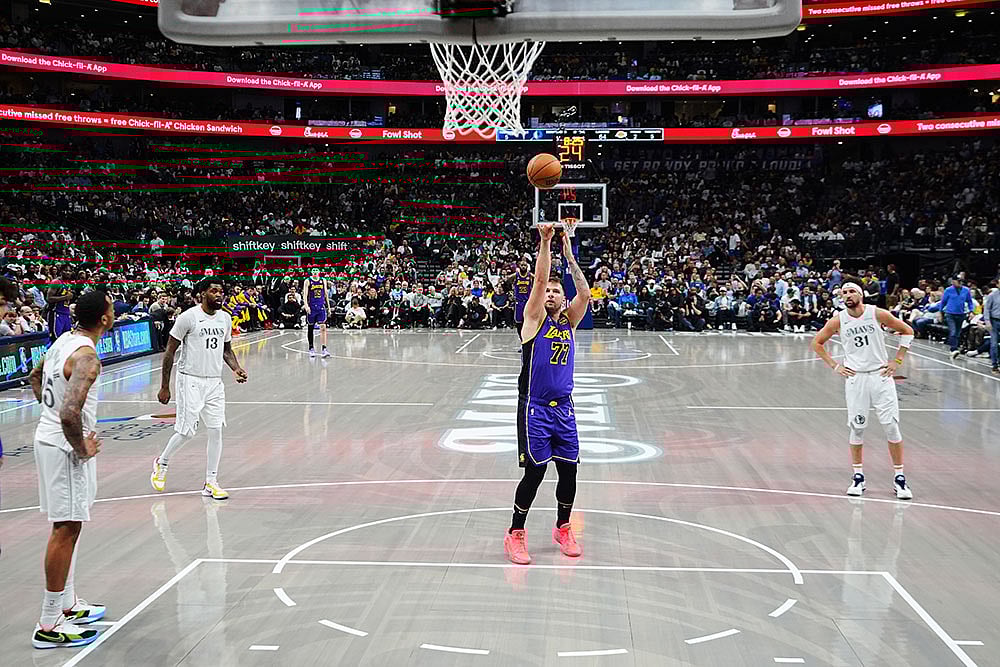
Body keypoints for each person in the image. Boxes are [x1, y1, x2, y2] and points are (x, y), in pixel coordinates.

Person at [27, 291, 115, 649]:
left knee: (70, 523)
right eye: (111, 309)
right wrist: (82, 447)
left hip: (49, 439)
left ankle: (68, 603)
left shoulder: (62, 341)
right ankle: (48, 624)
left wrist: (50, 418)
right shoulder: (87, 357)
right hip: (65, 448)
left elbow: (35, 377)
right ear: (106, 319)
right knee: (65, 528)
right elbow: (69, 413)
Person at [504, 224, 591, 565]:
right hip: (534, 409)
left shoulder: (569, 322)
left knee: (569, 471)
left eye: (557, 291)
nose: (552, 294)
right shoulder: (533, 321)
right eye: (549, 291)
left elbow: (584, 294)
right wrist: (545, 242)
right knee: (535, 473)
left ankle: (563, 526)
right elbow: (538, 283)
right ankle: (516, 533)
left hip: (564, 410)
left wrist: (569, 255)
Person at [811, 282, 915, 500]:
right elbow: (817, 343)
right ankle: (858, 476)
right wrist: (835, 365)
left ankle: (899, 478)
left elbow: (908, 331)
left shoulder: (877, 313)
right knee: (857, 428)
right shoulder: (839, 319)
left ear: (861, 294)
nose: (847, 295)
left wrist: (897, 360)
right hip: (856, 378)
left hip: (880, 376)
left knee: (891, 427)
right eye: (844, 293)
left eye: (851, 291)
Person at [151, 279, 248, 500]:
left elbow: (226, 350)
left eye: (221, 291)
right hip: (190, 380)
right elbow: (169, 352)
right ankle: (162, 462)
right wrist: (165, 386)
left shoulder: (225, 318)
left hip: (214, 382)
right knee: (186, 431)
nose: (219, 295)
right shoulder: (188, 317)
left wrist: (236, 368)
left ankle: (211, 482)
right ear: (202, 294)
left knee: (216, 430)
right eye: (214, 291)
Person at [924, 276, 975, 359]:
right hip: (950, 313)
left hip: (961, 314)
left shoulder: (966, 290)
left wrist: (971, 311)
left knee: (958, 332)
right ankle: (953, 349)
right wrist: (940, 313)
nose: (957, 282)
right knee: (953, 331)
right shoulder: (948, 290)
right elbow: (943, 302)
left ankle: (955, 347)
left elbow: (969, 301)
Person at [302, 268, 332, 357]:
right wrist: (306, 306)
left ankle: (324, 348)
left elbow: (326, 294)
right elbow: (305, 294)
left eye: (316, 270)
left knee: (323, 327)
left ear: (319, 272)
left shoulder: (323, 280)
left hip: (321, 307)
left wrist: (329, 307)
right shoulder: (308, 281)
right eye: (313, 270)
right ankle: (311, 348)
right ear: (311, 272)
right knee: (310, 327)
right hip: (312, 307)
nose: (315, 272)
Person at [512, 260, 532, 337]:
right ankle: (521, 340)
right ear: (519, 267)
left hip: (528, 302)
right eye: (522, 265)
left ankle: (528, 340)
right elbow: (506, 280)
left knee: (528, 322)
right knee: (519, 323)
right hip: (519, 302)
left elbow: (538, 280)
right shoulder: (515, 275)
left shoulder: (530, 276)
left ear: (527, 267)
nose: (523, 267)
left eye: (525, 265)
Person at [983, 281, 1000, 374]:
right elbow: (987, 309)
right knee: (994, 343)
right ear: (997, 285)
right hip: (994, 321)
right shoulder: (992, 295)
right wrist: (987, 321)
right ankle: (994, 365)